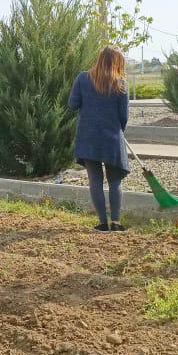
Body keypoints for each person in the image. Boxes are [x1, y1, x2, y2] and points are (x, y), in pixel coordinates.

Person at [67, 46, 130, 233]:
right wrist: (118, 133)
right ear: (117, 62)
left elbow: (72, 104)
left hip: (88, 137)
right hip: (112, 138)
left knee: (95, 180)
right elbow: (124, 116)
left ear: (100, 59)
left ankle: (102, 224)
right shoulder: (121, 83)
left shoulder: (82, 78)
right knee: (115, 181)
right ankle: (116, 223)